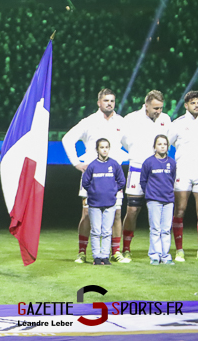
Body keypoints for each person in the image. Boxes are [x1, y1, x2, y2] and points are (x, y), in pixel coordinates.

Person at [61, 89, 126, 263]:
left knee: (117, 214)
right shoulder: (88, 122)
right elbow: (67, 139)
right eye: (106, 100)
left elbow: (131, 144)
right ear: (99, 102)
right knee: (87, 214)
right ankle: (82, 252)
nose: (109, 103)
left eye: (112, 100)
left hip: (112, 176)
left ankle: (115, 252)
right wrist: (76, 163)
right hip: (93, 176)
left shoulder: (121, 122)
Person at [120, 90, 172, 262]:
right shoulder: (131, 119)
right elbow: (124, 142)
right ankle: (126, 248)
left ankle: (160, 252)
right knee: (133, 210)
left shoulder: (165, 119)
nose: (158, 111)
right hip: (138, 168)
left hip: (158, 172)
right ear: (146, 104)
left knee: (160, 211)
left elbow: (167, 142)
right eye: (155, 108)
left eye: (161, 108)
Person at [81, 138, 125, 265]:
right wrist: (94, 191)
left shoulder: (114, 164)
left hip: (110, 204)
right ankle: (96, 257)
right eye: (102, 147)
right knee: (95, 231)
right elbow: (85, 182)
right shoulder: (92, 166)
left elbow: (121, 181)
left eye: (106, 147)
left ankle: (105, 257)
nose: (104, 150)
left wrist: (112, 190)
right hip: (94, 204)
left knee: (106, 231)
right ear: (97, 149)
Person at [168, 90, 198, 262]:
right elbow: (164, 143)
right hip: (183, 171)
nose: (196, 105)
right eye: (193, 102)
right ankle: (179, 250)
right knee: (180, 210)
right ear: (186, 105)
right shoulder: (177, 124)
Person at [140, 135, 176, 265]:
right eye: (159, 144)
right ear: (154, 146)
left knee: (166, 229)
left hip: (168, 200)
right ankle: (155, 256)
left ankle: (165, 256)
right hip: (154, 199)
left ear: (168, 147)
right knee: (155, 229)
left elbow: (172, 179)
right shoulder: (148, 162)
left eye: (165, 144)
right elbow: (143, 181)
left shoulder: (172, 162)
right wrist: (150, 193)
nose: (162, 146)